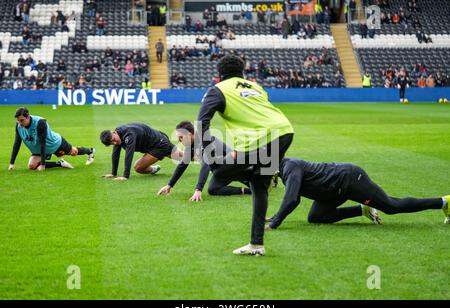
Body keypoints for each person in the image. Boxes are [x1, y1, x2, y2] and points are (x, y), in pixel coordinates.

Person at [196, 55, 294, 256]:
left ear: (219, 75)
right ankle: (256, 244)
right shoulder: (256, 87)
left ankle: (251, 172)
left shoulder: (218, 89)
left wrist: (209, 154)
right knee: (259, 185)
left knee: (219, 171)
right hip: (285, 131)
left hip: (261, 139)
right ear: (243, 72)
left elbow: (202, 122)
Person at [266, 158, 450, 229]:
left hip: (350, 180)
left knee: (391, 206)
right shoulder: (285, 170)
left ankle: (443, 202)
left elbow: (290, 198)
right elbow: (294, 199)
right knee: (316, 217)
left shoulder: (290, 167)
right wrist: (276, 215)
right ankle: (362, 209)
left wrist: (275, 223)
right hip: (332, 192)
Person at [158, 121, 251, 201]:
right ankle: (249, 191)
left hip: (236, 166)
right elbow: (182, 165)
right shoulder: (190, 145)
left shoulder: (205, 140)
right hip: (221, 171)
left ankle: (251, 176)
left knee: (255, 181)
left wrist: (198, 189)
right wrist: (169, 185)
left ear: (189, 134)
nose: (179, 140)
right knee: (213, 190)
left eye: (181, 137)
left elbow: (206, 165)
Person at [8, 108, 95, 171]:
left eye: (21, 120)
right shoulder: (19, 126)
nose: (19, 123)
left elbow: (43, 143)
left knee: (74, 152)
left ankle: (90, 151)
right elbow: (17, 144)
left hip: (55, 144)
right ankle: (60, 163)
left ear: (28, 117)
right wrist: (12, 163)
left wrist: (42, 165)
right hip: (39, 149)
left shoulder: (40, 122)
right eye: (18, 121)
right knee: (31, 166)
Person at [99, 123, 183, 181]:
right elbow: (115, 154)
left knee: (138, 167)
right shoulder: (117, 135)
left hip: (159, 144)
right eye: (111, 143)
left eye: (113, 140)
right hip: (155, 145)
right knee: (185, 157)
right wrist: (113, 173)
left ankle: (195, 153)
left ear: (113, 132)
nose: (114, 143)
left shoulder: (129, 134)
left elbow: (129, 154)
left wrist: (125, 176)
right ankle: (155, 168)